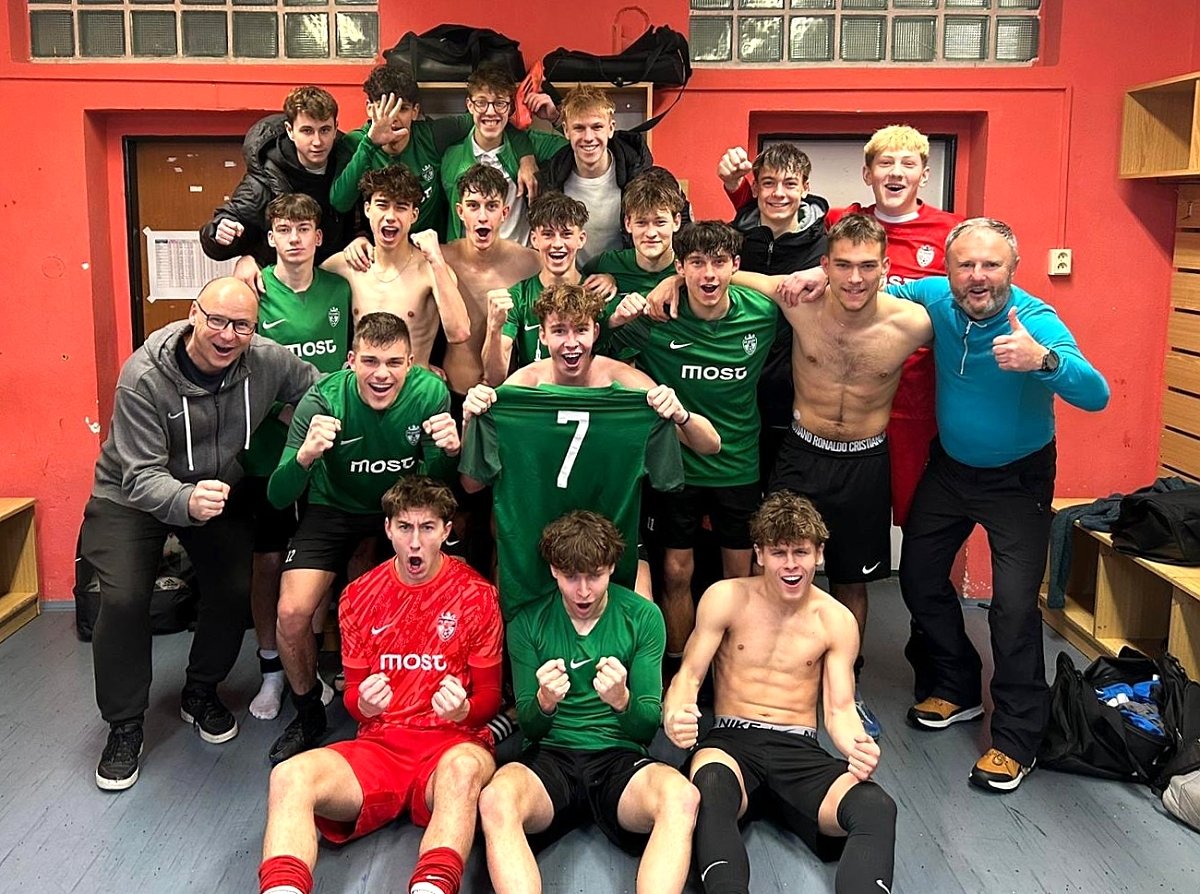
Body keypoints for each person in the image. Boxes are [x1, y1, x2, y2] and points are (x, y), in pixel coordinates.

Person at [890, 217, 1109, 792]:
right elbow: (872, 286)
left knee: (1012, 610)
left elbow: (1097, 394)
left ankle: (1016, 739)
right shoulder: (934, 297)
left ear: (1013, 268)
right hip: (950, 468)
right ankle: (958, 686)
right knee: (918, 578)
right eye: (966, 264)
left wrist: (1044, 362)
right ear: (948, 269)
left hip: (1018, 479)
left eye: (991, 264)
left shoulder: (1035, 321)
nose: (977, 276)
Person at [84, 277, 319, 791]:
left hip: (212, 490)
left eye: (242, 326)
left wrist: (399, 385)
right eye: (217, 320)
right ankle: (125, 725)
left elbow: (323, 388)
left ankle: (201, 691)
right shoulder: (143, 376)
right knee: (123, 599)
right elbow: (140, 475)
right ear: (194, 314)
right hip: (129, 495)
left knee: (234, 587)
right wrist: (185, 500)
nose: (228, 335)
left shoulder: (266, 360)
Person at [735, 214, 933, 739]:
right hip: (802, 455)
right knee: (775, 566)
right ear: (824, 265)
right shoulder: (800, 303)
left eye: (867, 266)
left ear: (886, 268)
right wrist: (668, 283)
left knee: (851, 579)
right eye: (843, 265)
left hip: (865, 463)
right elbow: (732, 276)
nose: (855, 278)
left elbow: (974, 304)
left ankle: (845, 686)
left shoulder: (913, 322)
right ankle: (766, 680)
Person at [258, 476, 502, 894]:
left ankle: (432, 887)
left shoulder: (477, 596)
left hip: (452, 745)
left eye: (427, 528)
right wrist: (364, 705)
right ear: (388, 528)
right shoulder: (359, 596)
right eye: (405, 527)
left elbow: (490, 699)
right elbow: (354, 700)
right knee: (289, 776)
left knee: (463, 772)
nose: (415, 542)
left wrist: (464, 709)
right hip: (381, 748)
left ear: (447, 530)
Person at [723, 125, 963, 530]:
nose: (896, 173)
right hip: (808, 425)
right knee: (785, 543)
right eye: (885, 163)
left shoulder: (950, 235)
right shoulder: (839, 222)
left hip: (906, 408)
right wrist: (676, 278)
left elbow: (974, 299)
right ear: (867, 174)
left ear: (924, 174)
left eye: (908, 164)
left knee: (912, 523)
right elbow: (776, 213)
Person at [663, 491, 897, 894]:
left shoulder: (836, 620)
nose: (790, 565)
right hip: (731, 742)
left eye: (801, 552)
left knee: (875, 807)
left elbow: (839, 709)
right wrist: (675, 712)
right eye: (779, 552)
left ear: (819, 554)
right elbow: (689, 676)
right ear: (759, 554)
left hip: (799, 747)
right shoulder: (726, 597)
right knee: (710, 787)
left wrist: (857, 747)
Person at [266, 312, 462, 764]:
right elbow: (278, 496)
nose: (381, 375)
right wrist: (305, 457)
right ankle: (308, 713)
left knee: (410, 602)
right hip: (331, 507)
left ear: (410, 363)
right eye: (370, 361)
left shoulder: (429, 393)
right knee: (292, 613)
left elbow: (437, 485)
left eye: (393, 363)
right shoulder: (323, 400)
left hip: (396, 510)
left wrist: (451, 451)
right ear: (351, 360)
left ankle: (407, 702)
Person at [459, 282, 719, 620]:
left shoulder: (625, 382)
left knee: (639, 614)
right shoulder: (521, 388)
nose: (571, 342)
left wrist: (680, 414)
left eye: (580, 330)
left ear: (596, 332)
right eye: (559, 331)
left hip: (611, 528)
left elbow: (711, 445)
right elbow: (471, 484)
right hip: (538, 528)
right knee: (523, 615)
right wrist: (470, 421)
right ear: (542, 336)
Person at [478, 510, 698, 894]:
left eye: (594, 576)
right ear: (553, 571)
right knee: (496, 799)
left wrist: (622, 700)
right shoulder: (528, 622)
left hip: (619, 757)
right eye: (570, 577)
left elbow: (646, 727)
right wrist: (544, 702)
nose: (583, 591)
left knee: (681, 797)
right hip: (550, 756)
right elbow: (529, 726)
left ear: (611, 567)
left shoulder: (643, 617)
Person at [602, 221, 778, 659]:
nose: (709, 274)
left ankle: (734, 668)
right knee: (676, 571)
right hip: (676, 467)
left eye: (719, 262)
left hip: (738, 465)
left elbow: (804, 289)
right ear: (680, 268)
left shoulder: (763, 314)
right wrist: (616, 318)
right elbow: (597, 351)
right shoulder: (656, 318)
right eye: (697, 263)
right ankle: (679, 665)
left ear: (736, 265)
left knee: (739, 576)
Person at [238, 193, 352, 721]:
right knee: (268, 560)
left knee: (318, 560)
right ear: (271, 238)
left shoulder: (339, 288)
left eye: (303, 229)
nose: (294, 238)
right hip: (271, 449)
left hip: (327, 451)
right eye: (284, 229)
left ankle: (307, 659)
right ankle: (271, 671)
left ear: (318, 237)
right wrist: (292, 416)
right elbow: (243, 372)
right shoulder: (254, 291)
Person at [715, 143, 829, 489]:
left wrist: (827, 272)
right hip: (735, 394)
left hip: (800, 398)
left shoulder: (826, 249)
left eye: (790, 183)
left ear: (805, 188)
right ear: (755, 188)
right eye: (768, 183)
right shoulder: (731, 243)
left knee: (790, 505)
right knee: (739, 507)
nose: (778, 193)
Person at [330, 63, 542, 244]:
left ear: (415, 111)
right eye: (384, 109)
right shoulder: (355, 143)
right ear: (369, 108)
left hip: (430, 251)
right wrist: (370, 144)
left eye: (402, 109)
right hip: (382, 249)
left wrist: (526, 158)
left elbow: (490, 119)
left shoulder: (431, 136)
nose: (392, 119)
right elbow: (340, 202)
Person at [321, 165, 471, 367]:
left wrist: (436, 259)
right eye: (382, 205)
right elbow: (300, 285)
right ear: (367, 209)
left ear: (414, 215)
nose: (391, 216)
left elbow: (459, 332)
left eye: (401, 207)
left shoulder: (430, 270)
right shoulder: (346, 265)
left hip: (414, 382)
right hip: (365, 382)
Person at [200, 86, 354, 282]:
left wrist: (361, 236)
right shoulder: (263, 180)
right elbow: (226, 226)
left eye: (324, 130)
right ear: (290, 131)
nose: (317, 141)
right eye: (307, 131)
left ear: (335, 128)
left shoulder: (349, 165)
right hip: (282, 283)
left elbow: (367, 216)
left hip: (336, 279)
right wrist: (219, 231)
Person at [441, 164, 541, 400]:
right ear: (460, 211)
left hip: (507, 394)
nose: (483, 217)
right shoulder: (441, 258)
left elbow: (569, 278)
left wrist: (605, 276)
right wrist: (360, 242)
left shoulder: (529, 262)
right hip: (454, 391)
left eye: (492, 206)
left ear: (504, 213)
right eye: (473, 206)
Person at [438, 63, 566, 244]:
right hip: (468, 258)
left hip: (520, 258)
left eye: (500, 103)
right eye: (481, 102)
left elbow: (579, 147)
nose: (490, 112)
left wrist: (556, 118)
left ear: (510, 107)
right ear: (470, 105)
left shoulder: (531, 143)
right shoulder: (451, 157)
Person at [536, 85, 654, 266]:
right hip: (571, 280)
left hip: (626, 278)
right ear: (566, 131)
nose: (588, 137)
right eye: (579, 128)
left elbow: (678, 221)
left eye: (597, 127)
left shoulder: (639, 174)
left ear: (611, 128)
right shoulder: (550, 180)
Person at [481, 191, 589, 386]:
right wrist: (493, 328)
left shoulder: (597, 293)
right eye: (548, 234)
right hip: (533, 400)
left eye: (566, 234)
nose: (557, 244)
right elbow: (494, 378)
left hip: (585, 399)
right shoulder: (518, 296)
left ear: (581, 239)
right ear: (534, 239)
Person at [581, 167, 685, 303]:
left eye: (660, 222)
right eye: (641, 223)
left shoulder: (690, 269)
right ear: (628, 224)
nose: (651, 233)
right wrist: (607, 278)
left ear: (676, 222)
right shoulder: (606, 264)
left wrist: (681, 279)